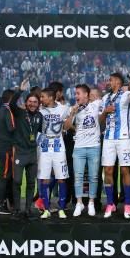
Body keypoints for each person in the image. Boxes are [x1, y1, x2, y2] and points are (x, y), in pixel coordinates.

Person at [99, 72, 130, 219]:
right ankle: (111, 203)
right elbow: (100, 120)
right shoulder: (105, 98)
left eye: (111, 80)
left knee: (125, 170)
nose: (109, 82)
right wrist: (105, 111)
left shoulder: (126, 94)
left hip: (123, 139)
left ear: (118, 82)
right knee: (108, 170)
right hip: (108, 139)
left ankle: (128, 204)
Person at [64, 84, 102, 217]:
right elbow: (67, 127)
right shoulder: (73, 109)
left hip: (94, 146)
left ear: (86, 94)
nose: (76, 96)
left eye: (78, 93)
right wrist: (72, 114)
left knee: (93, 176)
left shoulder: (96, 105)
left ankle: (91, 202)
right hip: (79, 147)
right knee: (78, 177)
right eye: (75, 94)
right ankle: (79, 203)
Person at [38, 88, 70, 219]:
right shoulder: (40, 110)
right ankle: (46, 209)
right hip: (44, 146)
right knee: (45, 179)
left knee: (61, 178)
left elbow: (67, 127)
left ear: (50, 97)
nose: (41, 99)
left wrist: (71, 114)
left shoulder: (63, 108)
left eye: (43, 97)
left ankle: (61, 208)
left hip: (58, 146)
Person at [12, 92, 43, 217]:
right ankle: (17, 209)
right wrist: (19, 90)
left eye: (35, 102)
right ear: (26, 103)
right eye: (30, 101)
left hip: (32, 154)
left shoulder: (40, 116)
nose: (32, 104)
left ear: (38, 104)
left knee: (31, 183)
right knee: (17, 181)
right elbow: (11, 104)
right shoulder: (20, 113)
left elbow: (40, 133)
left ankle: (28, 209)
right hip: (20, 152)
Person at [0, 89, 18, 215]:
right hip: (6, 148)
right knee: (4, 176)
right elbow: (12, 128)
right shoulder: (8, 111)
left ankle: (4, 203)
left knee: (6, 176)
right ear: (11, 99)